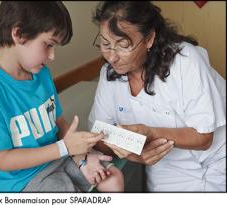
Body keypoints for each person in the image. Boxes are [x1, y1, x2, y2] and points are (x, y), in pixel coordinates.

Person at [0, 1, 124, 192]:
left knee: (112, 178)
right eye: (48, 45)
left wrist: (82, 158)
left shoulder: (40, 73)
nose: (52, 56)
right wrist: (66, 148)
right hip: (17, 181)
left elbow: (59, 123)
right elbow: (3, 161)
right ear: (19, 34)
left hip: (57, 156)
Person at [88, 1, 226, 192]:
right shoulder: (108, 74)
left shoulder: (186, 61)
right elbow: (98, 135)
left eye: (123, 45)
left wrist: (151, 133)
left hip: (218, 160)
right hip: (166, 167)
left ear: (149, 38)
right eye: (105, 44)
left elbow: (203, 137)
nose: (111, 57)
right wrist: (132, 153)